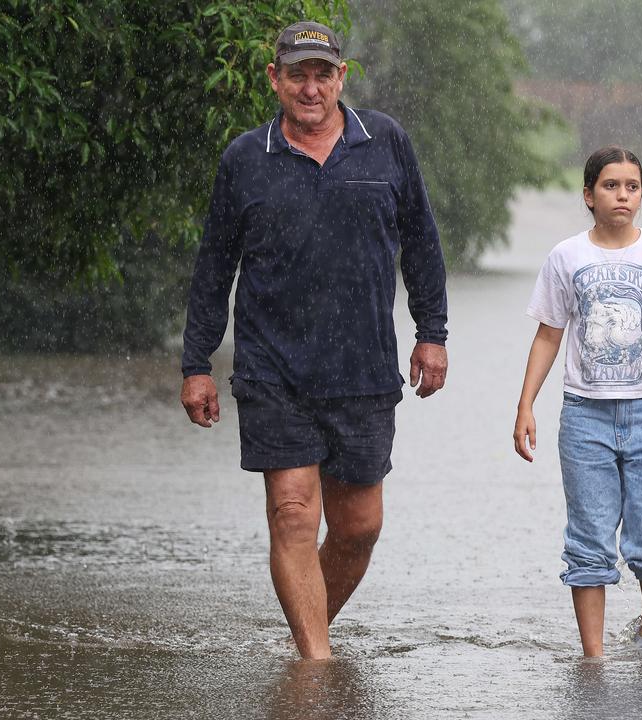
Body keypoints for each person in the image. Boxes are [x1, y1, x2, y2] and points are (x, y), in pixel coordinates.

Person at [180, 20, 449, 660]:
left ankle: (309, 633)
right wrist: (196, 363)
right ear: (274, 78)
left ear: (341, 77)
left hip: (364, 368)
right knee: (293, 513)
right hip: (274, 369)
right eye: (296, 73)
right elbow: (214, 266)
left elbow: (423, 244)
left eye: (321, 73)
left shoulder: (384, 143)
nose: (309, 87)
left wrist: (432, 333)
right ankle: (315, 664)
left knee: (359, 527)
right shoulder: (246, 157)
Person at [512, 146, 642, 659]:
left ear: (641, 194)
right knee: (589, 539)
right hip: (584, 417)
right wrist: (526, 404)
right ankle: (592, 658)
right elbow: (548, 336)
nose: (623, 195)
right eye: (611, 186)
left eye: (632, 186)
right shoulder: (567, 258)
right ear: (589, 194)